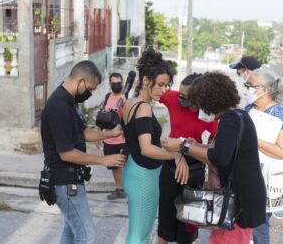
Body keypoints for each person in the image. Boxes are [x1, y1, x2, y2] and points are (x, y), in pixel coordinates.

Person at [40, 60, 126, 244]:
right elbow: (67, 153)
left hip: (71, 181)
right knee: (87, 235)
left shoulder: (69, 102)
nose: (90, 93)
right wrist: (104, 160)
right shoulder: (58, 108)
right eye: (90, 89)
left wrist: (110, 133)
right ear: (80, 81)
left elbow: (80, 133)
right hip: (65, 182)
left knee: (72, 232)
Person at [179, 72, 267, 244]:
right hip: (243, 196)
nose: (200, 109)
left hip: (240, 200)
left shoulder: (230, 120)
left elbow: (220, 157)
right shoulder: (236, 115)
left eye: (201, 104)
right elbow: (225, 150)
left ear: (210, 101)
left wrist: (185, 147)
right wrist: (197, 146)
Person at [121, 48, 189, 244]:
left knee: (137, 233)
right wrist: (175, 156)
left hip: (136, 170)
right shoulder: (143, 107)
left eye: (167, 86)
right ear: (145, 80)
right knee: (139, 236)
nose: (164, 90)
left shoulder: (131, 103)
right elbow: (146, 148)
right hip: (143, 176)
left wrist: (166, 145)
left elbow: (139, 139)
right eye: (160, 84)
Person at [158, 73, 218, 244]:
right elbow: (151, 91)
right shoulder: (172, 98)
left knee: (189, 226)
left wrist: (209, 179)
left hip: (194, 170)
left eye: (185, 96)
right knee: (165, 225)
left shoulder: (209, 115)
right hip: (171, 164)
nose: (180, 98)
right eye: (180, 93)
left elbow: (214, 147)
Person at [244, 68, 283, 244]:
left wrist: (253, 141)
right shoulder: (249, 108)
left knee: (258, 226)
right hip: (246, 175)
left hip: (265, 179)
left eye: (249, 85)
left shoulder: (277, 113)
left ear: (264, 90)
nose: (246, 88)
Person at [102, 72, 128, 200]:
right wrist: (100, 135)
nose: (116, 85)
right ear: (110, 84)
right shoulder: (108, 97)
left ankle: (130, 188)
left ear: (122, 83)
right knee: (114, 165)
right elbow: (104, 116)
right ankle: (119, 189)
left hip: (123, 139)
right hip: (109, 138)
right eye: (113, 83)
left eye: (118, 83)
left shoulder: (126, 98)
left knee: (127, 164)